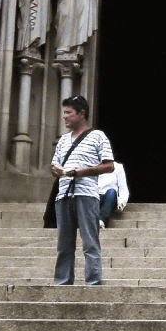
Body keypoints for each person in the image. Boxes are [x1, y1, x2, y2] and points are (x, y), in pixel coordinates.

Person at [49, 95, 114, 286]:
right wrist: (57, 171)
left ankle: (93, 283)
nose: (65, 117)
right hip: (63, 195)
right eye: (65, 113)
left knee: (90, 243)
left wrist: (85, 171)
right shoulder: (63, 140)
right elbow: (54, 166)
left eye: (69, 113)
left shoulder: (98, 136)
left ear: (81, 114)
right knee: (64, 245)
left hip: (86, 194)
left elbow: (109, 166)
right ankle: (62, 283)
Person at [97, 156, 129, 226]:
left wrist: (122, 201)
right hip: (94, 197)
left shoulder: (117, 167)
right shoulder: (92, 166)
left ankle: (101, 220)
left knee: (112, 191)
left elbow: (123, 188)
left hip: (109, 198)